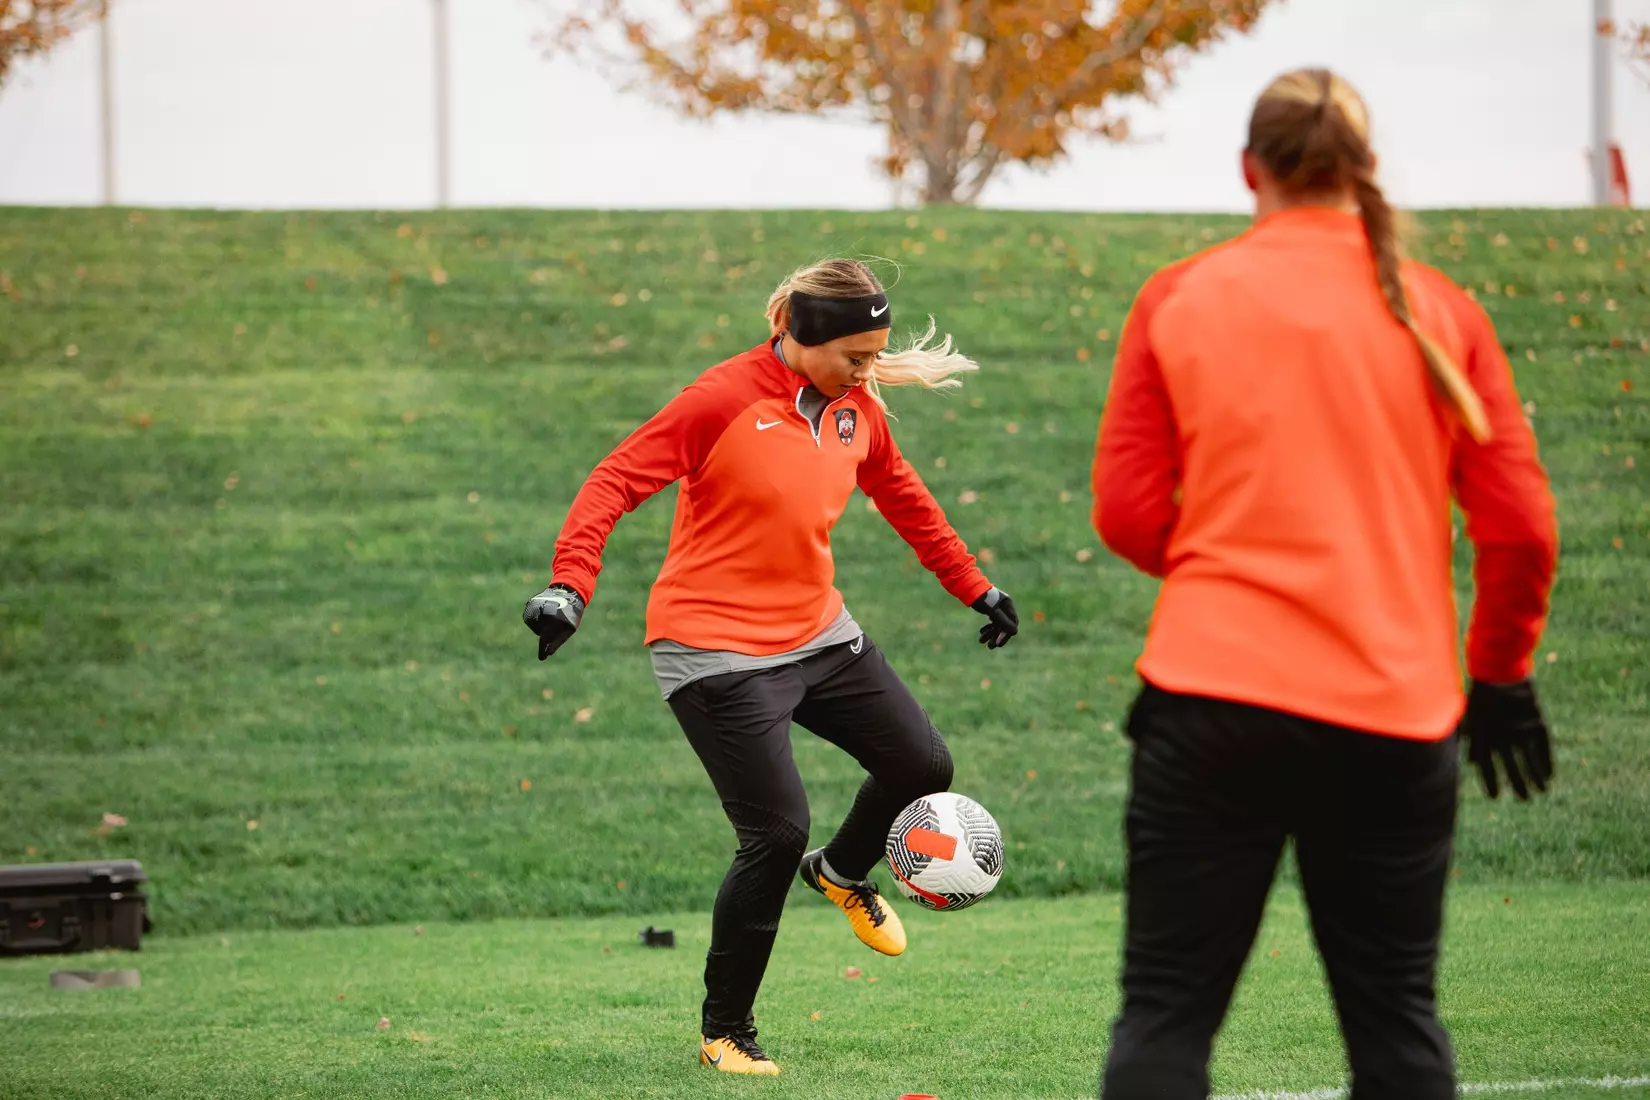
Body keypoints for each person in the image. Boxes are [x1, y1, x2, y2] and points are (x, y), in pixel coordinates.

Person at [1089, 68, 1559, 1100]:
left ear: (1249, 169)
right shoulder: (1440, 310)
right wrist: (1502, 673)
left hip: (1210, 701)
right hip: (1392, 715)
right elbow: (1521, 528)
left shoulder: (1181, 295)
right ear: (1367, 168)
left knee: (1163, 1017)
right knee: (1397, 1027)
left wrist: (1231, 573)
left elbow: (1125, 512)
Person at [523, 258, 1020, 1077]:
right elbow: (614, 479)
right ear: (798, 332)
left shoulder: (859, 410)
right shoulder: (722, 399)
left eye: (875, 355)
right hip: (712, 649)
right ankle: (727, 1031)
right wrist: (569, 584)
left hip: (819, 633)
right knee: (774, 830)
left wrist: (975, 584)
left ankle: (841, 872)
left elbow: (905, 497)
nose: (868, 373)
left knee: (922, 762)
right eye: (856, 357)